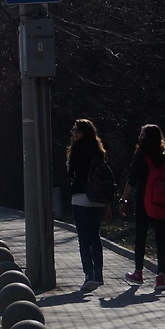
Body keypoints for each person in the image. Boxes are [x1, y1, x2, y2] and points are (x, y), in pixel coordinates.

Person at [118, 124, 165, 292]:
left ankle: (138, 273)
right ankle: (160, 278)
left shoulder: (141, 155)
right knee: (161, 240)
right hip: (161, 203)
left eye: (142, 134)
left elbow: (132, 179)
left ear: (145, 138)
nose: (139, 136)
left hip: (143, 201)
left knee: (141, 237)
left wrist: (123, 200)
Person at [65, 118, 110, 292]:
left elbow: (71, 173)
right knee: (95, 236)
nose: (73, 134)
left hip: (81, 198)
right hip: (98, 199)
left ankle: (89, 275)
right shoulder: (99, 151)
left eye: (75, 130)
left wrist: (69, 161)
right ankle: (99, 275)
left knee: (84, 238)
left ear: (82, 132)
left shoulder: (76, 149)